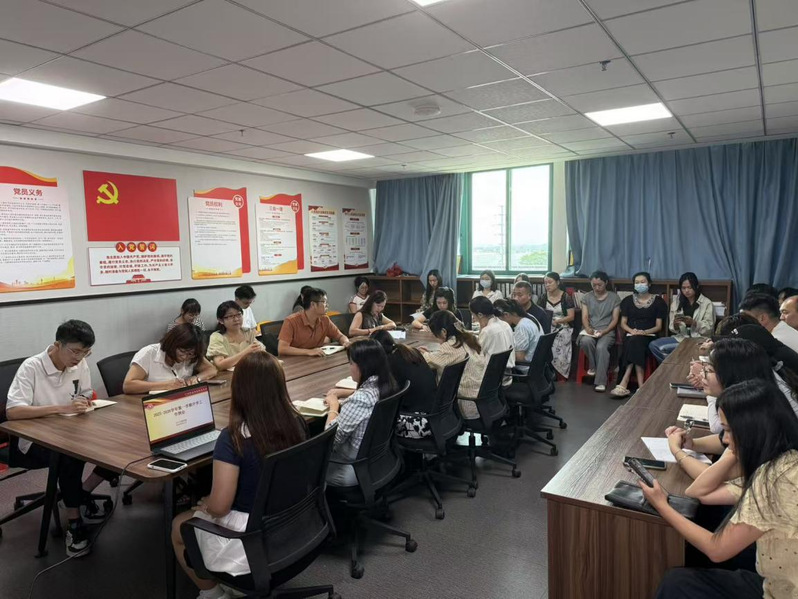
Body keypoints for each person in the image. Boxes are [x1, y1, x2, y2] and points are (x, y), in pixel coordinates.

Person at [644, 379, 798, 599]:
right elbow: (699, 493)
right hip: (774, 581)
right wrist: (736, 448)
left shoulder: (774, 479)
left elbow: (717, 550)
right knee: (680, 578)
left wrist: (662, 506)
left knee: (677, 583)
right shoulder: (786, 460)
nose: (724, 439)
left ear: (751, 429)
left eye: (728, 430)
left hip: (782, 591)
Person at [171, 352, 307, 597]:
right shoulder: (296, 422)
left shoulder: (233, 438)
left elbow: (220, 507)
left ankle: (213, 594)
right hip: (293, 528)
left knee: (178, 525)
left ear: (239, 389)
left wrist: (207, 505)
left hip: (249, 539)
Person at [6, 320, 118, 556]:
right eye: (75, 351)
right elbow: (13, 412)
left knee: (115, 444)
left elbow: (85, 393)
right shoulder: (32, 367)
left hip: (70, 430)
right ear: (58, 345)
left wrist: (83, 401)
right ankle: (74, 524)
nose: (79, 358)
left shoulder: (80, 363)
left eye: (86, 352)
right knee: (70, 456)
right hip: (32, 440)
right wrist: (61, 408)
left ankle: (80, 493)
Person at [323, 338, 397, 486]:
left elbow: (331, 441)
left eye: (351, 363)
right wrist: (346, 393)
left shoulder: (360, 400)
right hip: (378, 459)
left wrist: (334, 407)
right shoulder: (387, 385)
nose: (349, 367)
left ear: (363, 366)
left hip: (351, 466)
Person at [420, 310, 488, 420]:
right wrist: (431, 354)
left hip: (466, 405)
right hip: (481, 400)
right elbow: (443, 357)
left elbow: (425, 361)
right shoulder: (468, 339)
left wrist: (422, 353)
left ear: (443, 332)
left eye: (436, 335)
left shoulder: (451, 346)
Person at [610, 272, 668, 398]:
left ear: (649, 284)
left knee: (636, 342)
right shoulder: (627, 301)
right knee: (634, 341)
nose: (639, 284)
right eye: (637, 282)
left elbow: (658, 326)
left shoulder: (658, 302)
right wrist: (632, 331)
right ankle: (641, 386)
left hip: (650, 336)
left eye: (643, 282)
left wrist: (645, 332)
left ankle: (624, 383)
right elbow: (623, 323)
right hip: (631, 335)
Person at [371, 330, 437, 439]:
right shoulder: (412, 352)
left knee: (374, 420)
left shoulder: (389, 363)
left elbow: (378, 392)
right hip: (435, 416)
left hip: (419, 422)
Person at [124, 324, 217, 394]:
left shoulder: (192, 356)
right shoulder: (149, 353)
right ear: (173, 343)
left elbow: (211, 369)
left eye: (190, 354)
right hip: (148, 405)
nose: (185, 357)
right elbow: (128, 385)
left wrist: (196, 378)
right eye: (182, 351)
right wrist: (166, 385)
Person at [650, 273, 716, 363]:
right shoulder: (676, 303)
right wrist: (675, 325)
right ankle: (672, 365)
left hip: (699, 339)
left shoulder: (706, 303)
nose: (686, 291)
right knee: (654, 345)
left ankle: (675, 364)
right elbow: (671, 328)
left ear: (696, 287)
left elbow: (709, 328)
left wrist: (694, 323)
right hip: (681, 339)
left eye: (689, 287)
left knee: (682, 349)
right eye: (683, 288)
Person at [577, 271, 621, 392]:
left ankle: (600, 382)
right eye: (594, 285)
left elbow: (615, 319)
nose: (597, 287)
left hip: (607, 330)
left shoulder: (614, 298)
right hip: (591, 329)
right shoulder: (587, 297)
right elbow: (584, 316)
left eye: (599, 285)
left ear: (606, 283)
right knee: (585, 341)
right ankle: (593, 367)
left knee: (601, 348)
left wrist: (605, 331)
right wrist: (587, 328)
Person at [278, 287, 349, 357]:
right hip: (294, 361)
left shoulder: (324, 319)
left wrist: (346, 342)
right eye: (324, 302)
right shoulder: (291, 321)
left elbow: (340, 336)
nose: (327, 305)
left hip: (316, 359)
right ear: (313, 304)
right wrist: (308, 352)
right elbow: (282, 349)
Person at [206, 301, 266, 371]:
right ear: (221, 320)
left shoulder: (248, 332)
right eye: (231, 316)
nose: (236, 319)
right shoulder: (217, 337)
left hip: (248, 372)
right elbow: (220, 365)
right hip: (226, 375)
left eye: (238, 315)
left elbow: (262, 354)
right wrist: (246, 352)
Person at [470, 296, 515, 386]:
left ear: (480, 315)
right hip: (507, 376)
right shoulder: (505, 324)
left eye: (473, 315)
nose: (473, 318)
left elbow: (477, 354)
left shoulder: (487, 331)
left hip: (493, 379)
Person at [538, 271, 575, 378]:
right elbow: (539, 314)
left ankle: (560, 371)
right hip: (547, 325)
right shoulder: (543, 297)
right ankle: (547, 370)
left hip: (563, 325)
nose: (547, 285)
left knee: (560, 336)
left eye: (550, 282)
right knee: (544, 337)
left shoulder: (566, 297)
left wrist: (558, 321)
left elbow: (571, 316)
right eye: (545, 283)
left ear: (558, 282)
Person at [495, 299, 542, 374]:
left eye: (499, 320)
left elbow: (519, 358)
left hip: (526, 368)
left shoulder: (522, 327)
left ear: (506, 315)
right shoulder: (529, 317)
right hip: (537, 364)